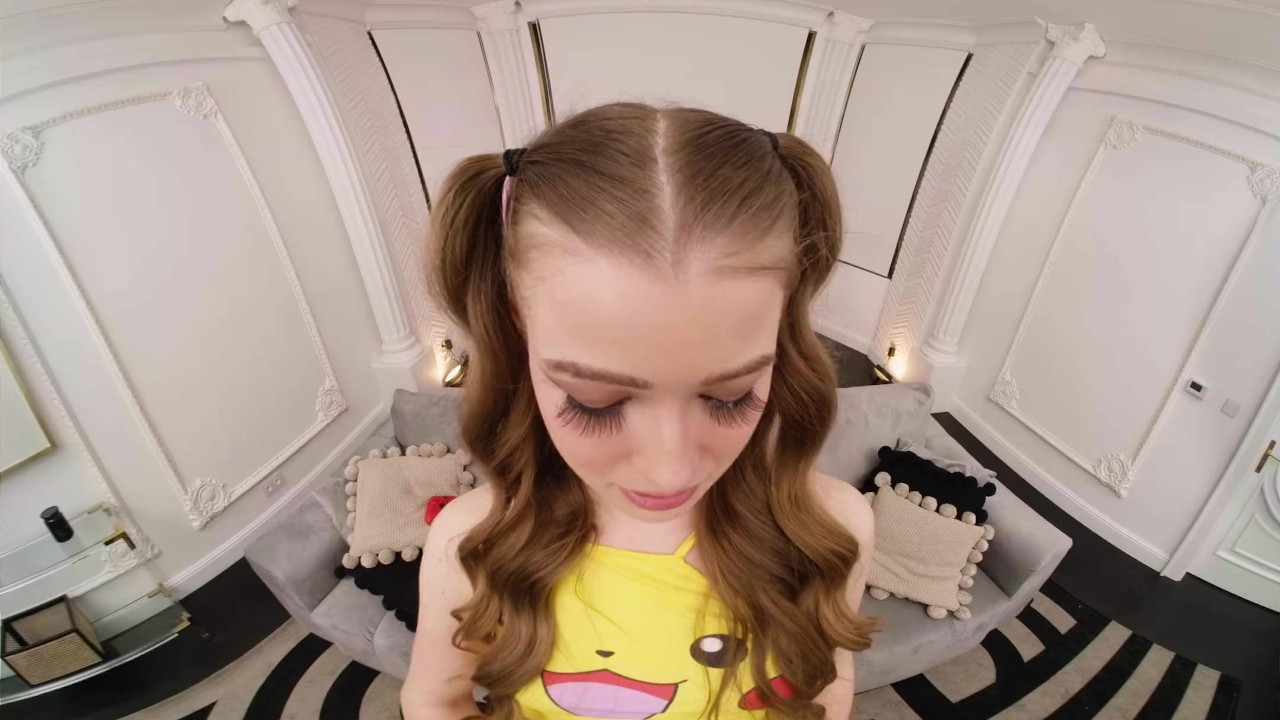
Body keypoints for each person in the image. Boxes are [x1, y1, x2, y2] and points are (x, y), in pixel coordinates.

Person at [401, 102, 878, 720]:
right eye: (595, 404)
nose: (670, 470)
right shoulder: (472, 544)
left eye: (730, 396)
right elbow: (435, 700)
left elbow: (827, 688)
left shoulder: (829, 532)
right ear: (519, 326)